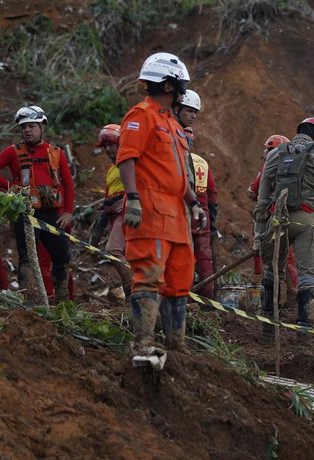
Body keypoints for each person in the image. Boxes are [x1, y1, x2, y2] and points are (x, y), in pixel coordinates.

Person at [117, 52, 206, 357]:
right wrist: (132, 199)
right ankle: (143, 343)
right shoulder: (141, 116)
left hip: (177, 216)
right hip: (151, 211)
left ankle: (176, 345)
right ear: (169, 85)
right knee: (150, 275)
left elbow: (180, 172)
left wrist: (194, 202)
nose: (183, 89)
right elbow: (126, 158)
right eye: (180, 84)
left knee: (180, 280)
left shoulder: (173, 123)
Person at [255, 117, 314, 332]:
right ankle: (304, 332)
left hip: (277, 220)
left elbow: (263, 198)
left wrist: (259, 232)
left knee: (272, 272)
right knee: (308, 276)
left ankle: (268, 327)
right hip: (307, 219)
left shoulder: (275, 153)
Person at [0, 105, 74, 301]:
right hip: (25, 214)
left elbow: (68, 183)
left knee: (62, 256)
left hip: (52, 214)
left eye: (31, 126)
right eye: (23, 127)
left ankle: (63, 301)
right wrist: (8, 187)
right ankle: (30, 303)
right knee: (27, 259)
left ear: (42, 127)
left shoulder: (56, 152)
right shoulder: (12, 152)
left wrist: (68, 211)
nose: (27, 130)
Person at [173, 90, 219, 300]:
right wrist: (213, 222)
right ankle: (207, 299)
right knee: (204, 259)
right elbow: (213, 197)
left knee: (187, 257)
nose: (193, 116)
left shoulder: (184, 157)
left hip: (186, 213)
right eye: (190, 111)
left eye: (195, 113)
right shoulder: (202, 162)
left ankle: (186, 296)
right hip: (202, 215)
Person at [248, 134, 299, 308]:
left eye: (268, 148)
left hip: (272, 216)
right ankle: (291, 294)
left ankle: (275, 299)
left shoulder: (268, 164)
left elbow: (254, 190)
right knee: (288, 256)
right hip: (294, 215)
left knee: (272, 257)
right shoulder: (295, 164)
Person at [89, 124, 132, 302]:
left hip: (129, 212)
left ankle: (133, 290)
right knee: (124, 254)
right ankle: (134, 296)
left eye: (111, 145)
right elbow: (108, 200)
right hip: (115, 216)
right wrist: (98, 231)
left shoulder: (131, 163)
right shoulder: (111, 171)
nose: (107, 150)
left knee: (113, 250)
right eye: (105, 146)